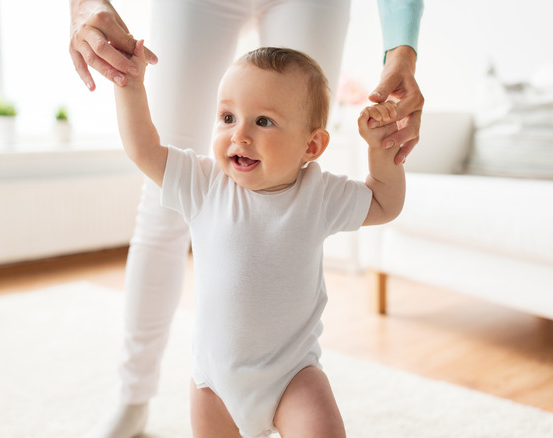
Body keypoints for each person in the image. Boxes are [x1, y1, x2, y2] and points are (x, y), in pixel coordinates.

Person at [69, 0, 423, 436]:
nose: (239, 134)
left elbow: (384, 203)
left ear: (311, 147)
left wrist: (382, 153)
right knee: (157, 224)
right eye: (227, 117)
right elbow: (144, 149)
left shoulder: (318, 192)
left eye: (263, 121)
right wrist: (131, 86)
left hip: (294, 377)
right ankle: (132, 399)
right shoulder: (203, 183)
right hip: (214, 385)